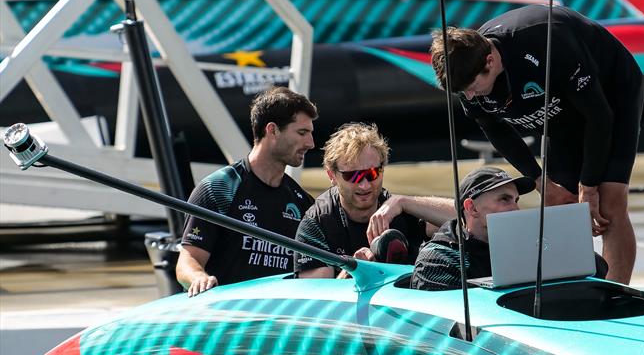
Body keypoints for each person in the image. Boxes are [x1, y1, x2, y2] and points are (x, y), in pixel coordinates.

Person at [430, 4, 643, 285]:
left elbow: (599, 117)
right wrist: (541, 180)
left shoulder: (543, 40)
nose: (469, 97)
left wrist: (588, 185)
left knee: (609, 203)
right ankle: (570, 292)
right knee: (558, 205)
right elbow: (499, 132)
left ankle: (615, 293)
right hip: (557, 109)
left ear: (490, 61)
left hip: (610, 93)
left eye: (471, 87)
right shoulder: (465, 73)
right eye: (461, 93)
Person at [176, 87, 317, 297]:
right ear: (273, 130)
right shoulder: (218, 189)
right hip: (228, 318)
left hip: (278, 322)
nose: (311, 143)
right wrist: (198, 277)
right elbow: (187, 261)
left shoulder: (303, 203)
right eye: (302, 133)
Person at [294, 122, 455, 278]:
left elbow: (465, 219)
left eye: (372, 174)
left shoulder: (398, 209)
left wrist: (402, 201)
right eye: (353, 176)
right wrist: (353, 272)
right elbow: (317, 300)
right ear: (332, 176)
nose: (364, 185)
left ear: (382, 169)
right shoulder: (317, 223)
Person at [412, 166, 607, 290]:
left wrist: (568, 249)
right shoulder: (440, 256)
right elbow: (442, 312)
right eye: (504, 199)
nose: (515, 208)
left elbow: (598, 269)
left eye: (516, 200)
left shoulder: (531, 242)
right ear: (471, 208)